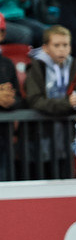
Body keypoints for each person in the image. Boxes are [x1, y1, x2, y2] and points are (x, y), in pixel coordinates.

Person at [24, 25, 76, 179]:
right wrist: (67, 103)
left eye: (65, 45)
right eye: (57, 45)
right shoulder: (36, 66)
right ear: (46, 48)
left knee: (66, 178)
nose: (62, 50)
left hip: (67, 134)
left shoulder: (75, 66)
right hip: (40, 135)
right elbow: (35, 100)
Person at [0, 14, 23, 182]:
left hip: (3, 140)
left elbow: (20, 100)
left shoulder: (7, 64)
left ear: (2, 35)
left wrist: (10, 101)